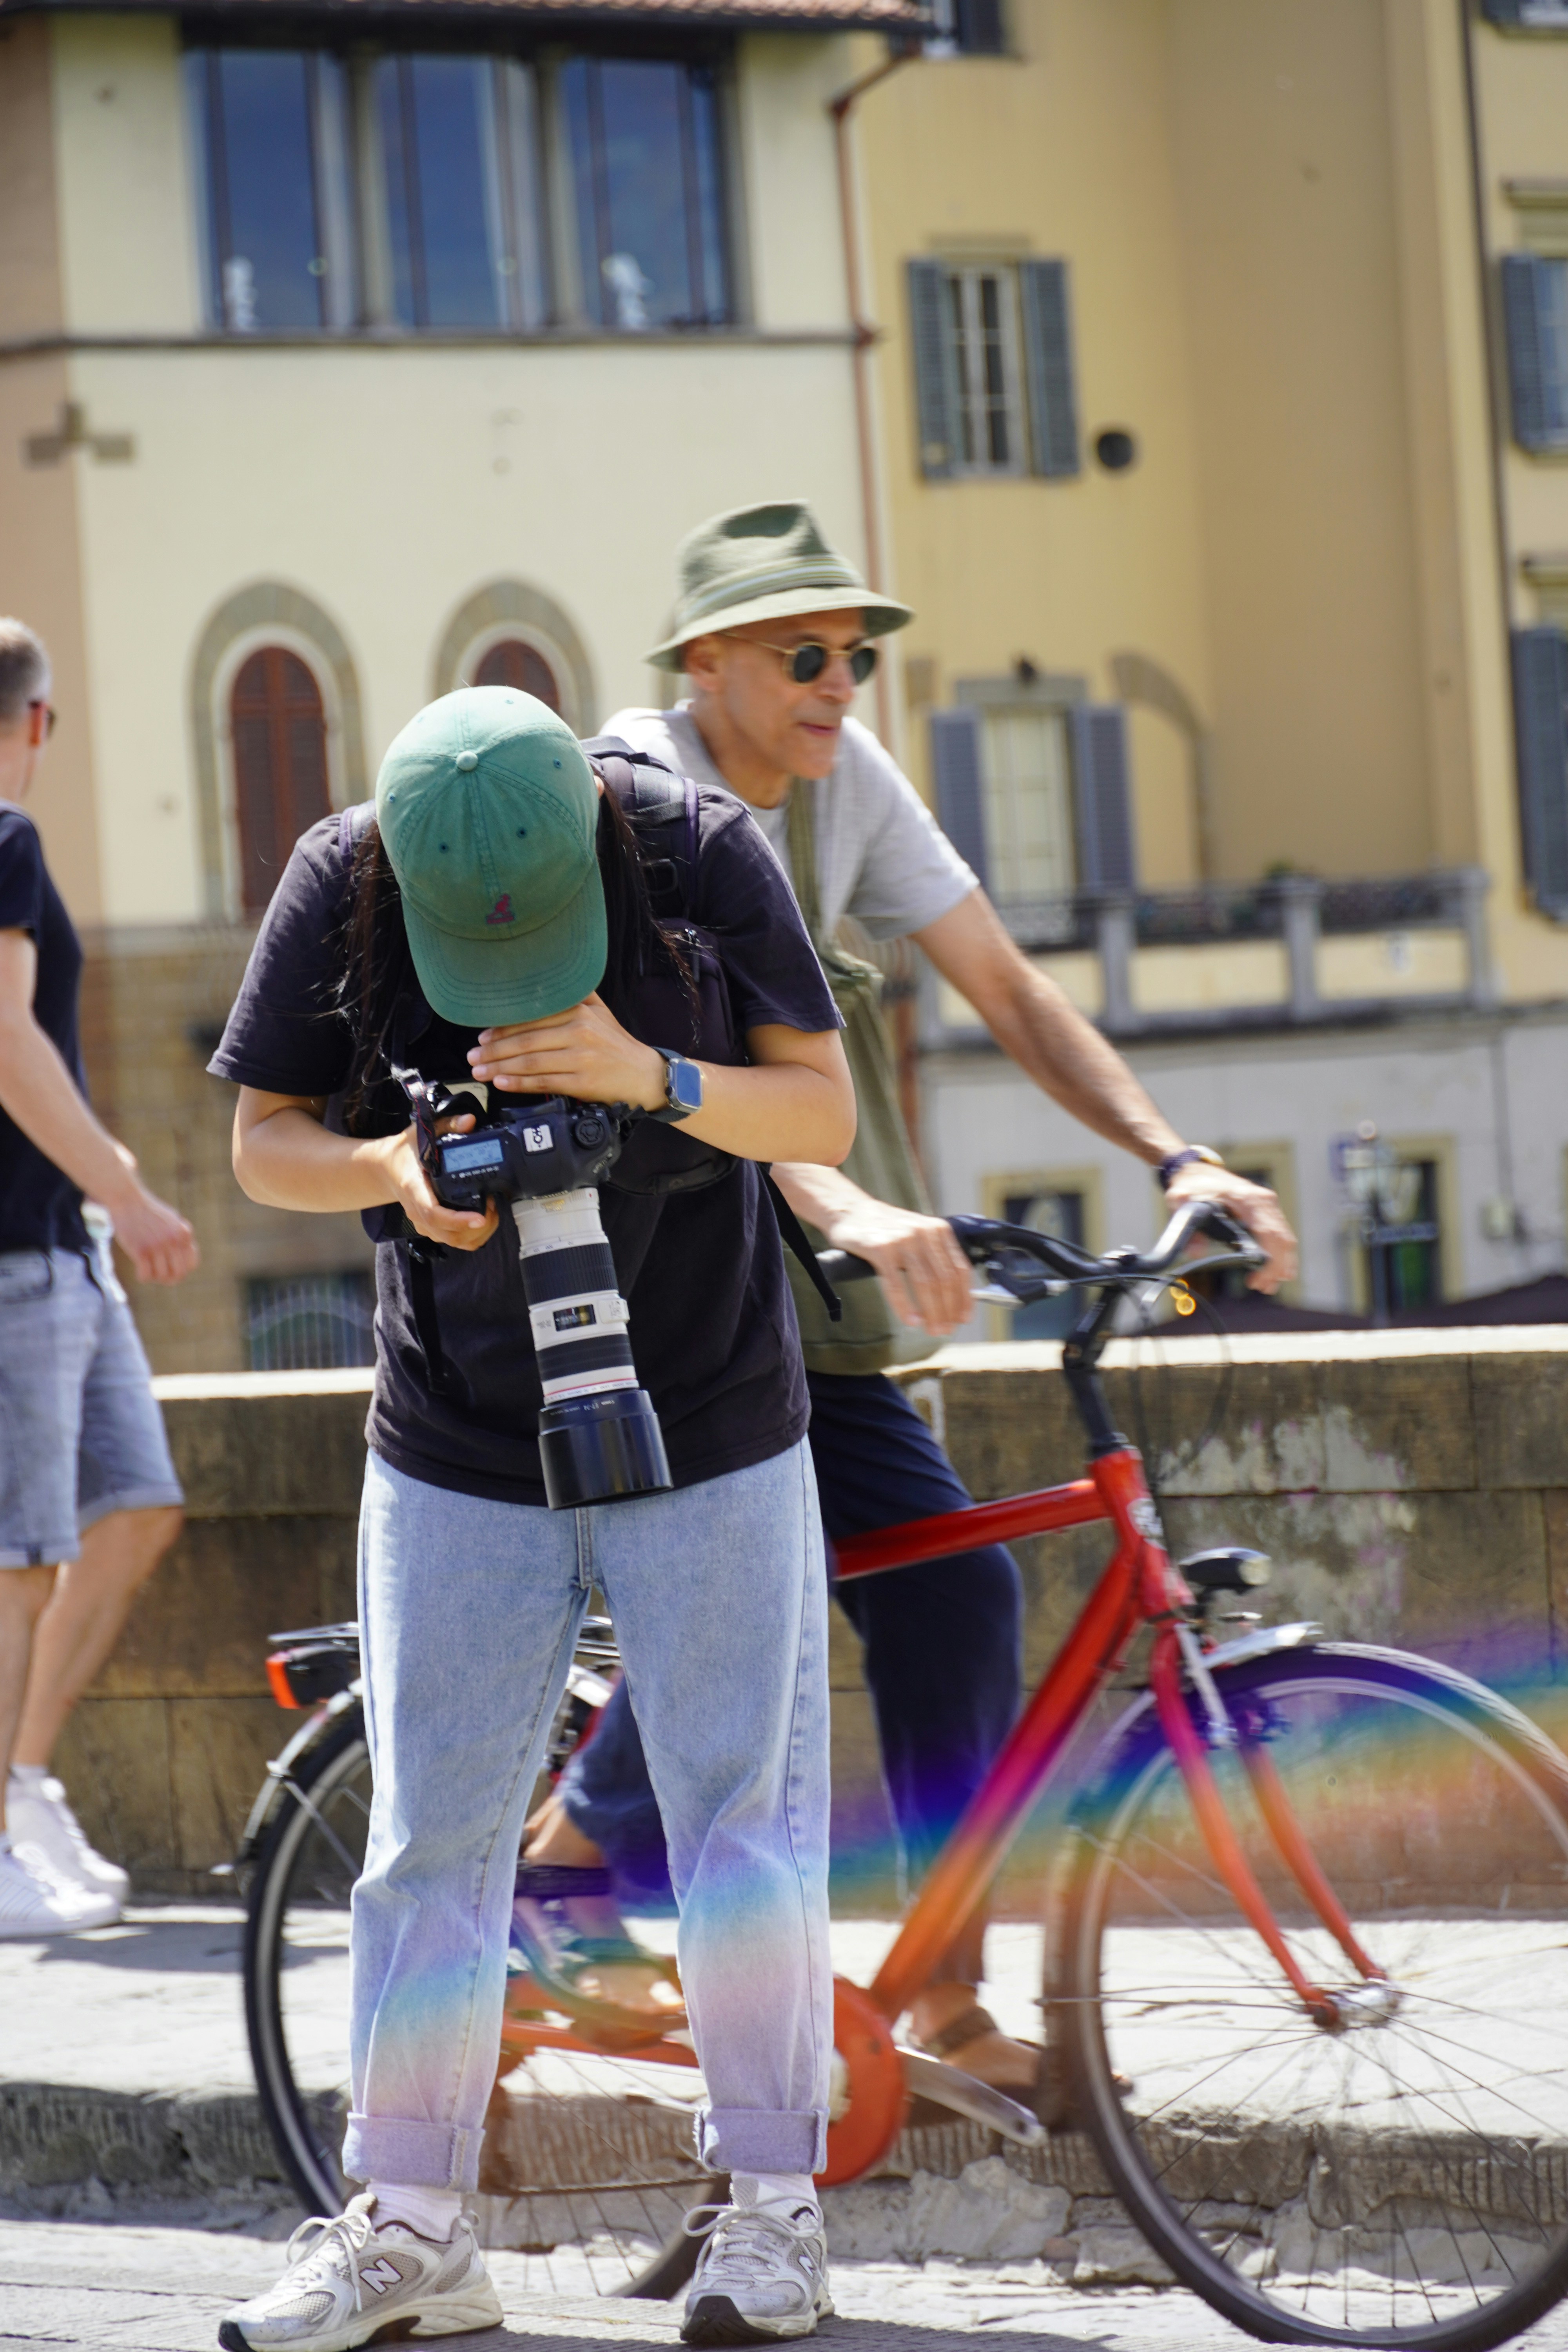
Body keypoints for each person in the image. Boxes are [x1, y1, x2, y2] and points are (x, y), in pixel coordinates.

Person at [521, 502, 1298, 2100]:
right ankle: (556, 1878)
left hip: (813, 1313)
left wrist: (1178, 1155)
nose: (840, 682)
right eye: (805, 654)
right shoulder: (630, 793)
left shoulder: (837, 789)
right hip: (656, 1300)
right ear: (708, 659)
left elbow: (1005, 984)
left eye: (857, 656)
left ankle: (940, 1990)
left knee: (956, 1602)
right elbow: (695, 1079)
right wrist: (854, 1203)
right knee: (758, 1592)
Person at [209, 686, 857, 2352]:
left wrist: (647, 1073)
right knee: (430, 1835)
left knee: (738, 1825)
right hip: (454, 1437)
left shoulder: (698, 848)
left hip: (705, 1409)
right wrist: (395, 1174)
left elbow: (818, 1113)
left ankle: (774, 2215)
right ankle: (415, 2228)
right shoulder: (340, 879)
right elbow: (261, 1145)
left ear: (595, 846)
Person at [0, 619, 196, 1941]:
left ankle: (23, 1782)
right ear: (40, 721)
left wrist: (102, 1177)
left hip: (56, 1249)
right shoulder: (7, 837)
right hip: (24, 1262)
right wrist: (126, 1193)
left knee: (135, 1505)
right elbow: (5, 1042)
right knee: (21, 1560)